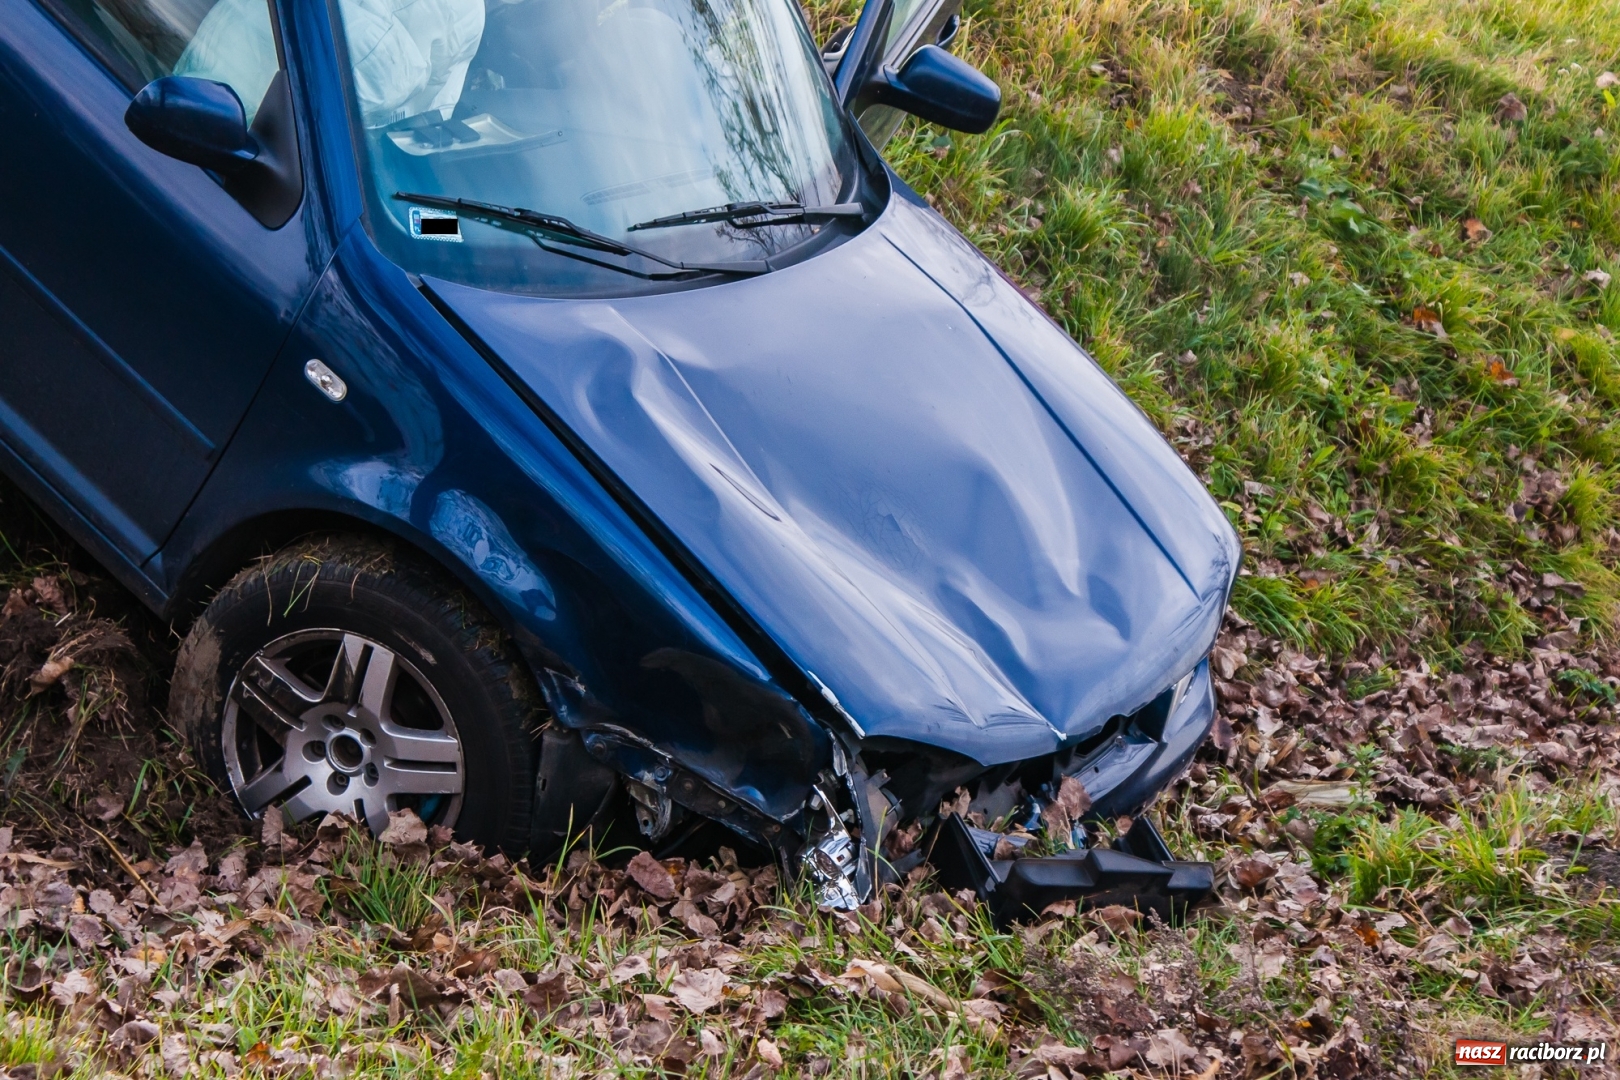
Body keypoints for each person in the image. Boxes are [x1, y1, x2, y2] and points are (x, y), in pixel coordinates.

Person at [174, 0, 485, 127]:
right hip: (225, 130)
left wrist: (449, 234)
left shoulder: (467, 11)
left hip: (376, 183)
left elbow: (433, 112)